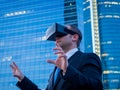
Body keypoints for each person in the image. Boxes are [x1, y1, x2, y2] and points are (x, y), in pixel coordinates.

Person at [10, 24, 103, 90]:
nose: (56, 38)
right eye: (55, 36)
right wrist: (22, 79)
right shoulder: (56, 70)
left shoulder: (88, 58)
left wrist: (67, 69)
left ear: (74, 37)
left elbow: (95, 87)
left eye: (61, 34)